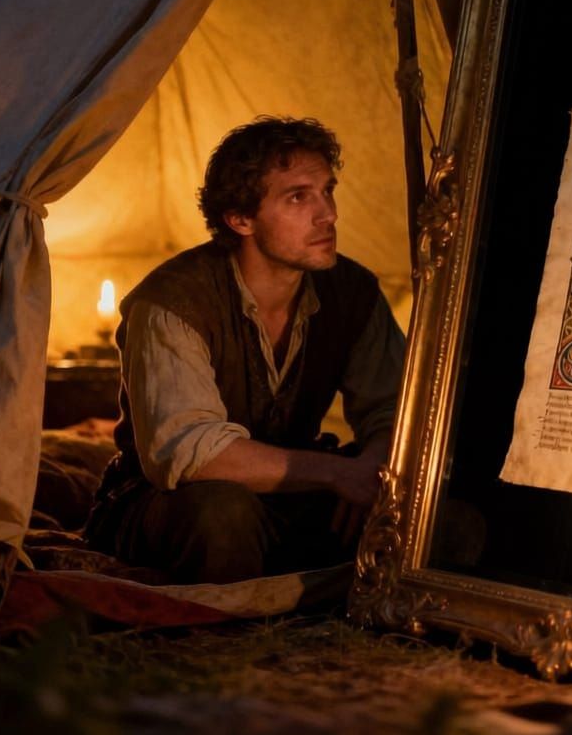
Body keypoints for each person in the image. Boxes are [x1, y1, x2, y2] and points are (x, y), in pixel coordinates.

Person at [86, 117, 404, 585]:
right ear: (241, 219)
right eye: (299, 197)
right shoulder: (173, 302)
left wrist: (372, 473)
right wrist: (338, 474)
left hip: (292, 496)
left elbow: (396, 409)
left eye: (327, 191)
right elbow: (189, 451)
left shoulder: (352, 292)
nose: (328, 214)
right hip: (170, 501)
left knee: (439, 521)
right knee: (222, 515)